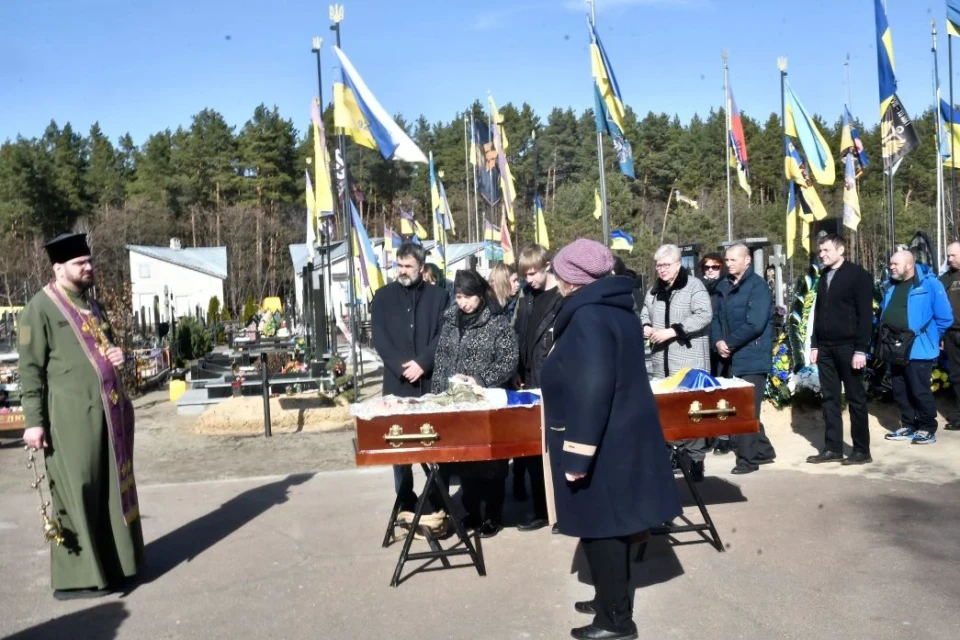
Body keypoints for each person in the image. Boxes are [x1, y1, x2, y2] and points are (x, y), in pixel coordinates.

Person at [541, 239, 681, 640]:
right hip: (619, 435)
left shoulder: (587, 317)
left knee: (602, 528)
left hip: (599, 441)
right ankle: (608, 598)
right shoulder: (612, 309)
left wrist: (577, 455)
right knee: (609, 526)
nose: (555, 278)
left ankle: (616, 620)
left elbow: (593, 388)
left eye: (558, 272)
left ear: (572, 278)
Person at [19, 233, 144, 600]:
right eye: (80, 263)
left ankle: (119, 565)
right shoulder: (38, 309)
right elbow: (29, 369)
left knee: (109, 489)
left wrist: (119, 355)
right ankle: (79, 577)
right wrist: (33, 421)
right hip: (69, 418)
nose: (88, 267)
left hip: (108, 412)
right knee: (77, 491)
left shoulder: (95, 305)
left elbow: (106, 347)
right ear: (59, 268)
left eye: (89, 261)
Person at [432, 270, 519, 537]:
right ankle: (471, 511)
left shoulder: (497, 322)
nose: (463, 303)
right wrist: (438, 394)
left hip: (485, 401)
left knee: (490, 463)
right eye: (458, 297)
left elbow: (508, 360)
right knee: (465, 460)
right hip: (456, 402)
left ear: (480, 295)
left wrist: (480, 379)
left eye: (468, 297)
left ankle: (493, 514)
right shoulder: (450, 321)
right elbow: (441, 359)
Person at [371, 242, 449, 524]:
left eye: (408, 267)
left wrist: (423, 363)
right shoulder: (382, 297)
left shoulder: (439, 297)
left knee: (435, 443)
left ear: (421, 268)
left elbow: (443, 334)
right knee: (399, 446)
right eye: (399, 266)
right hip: (397, 383)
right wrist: (402, 367)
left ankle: (439, 500)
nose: (403, 271)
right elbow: (379, 338)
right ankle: (405, 498)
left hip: (428, 382)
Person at [640, 244, 713, 481]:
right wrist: (646, 327)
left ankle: (695, 459)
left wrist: (674, 331)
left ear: (678, 264)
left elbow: (704, 315)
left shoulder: (694, 286)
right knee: (668, 410)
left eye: (666, 265)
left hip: (688, 360)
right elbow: (643, 313)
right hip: (662, 363)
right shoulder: (653, 291)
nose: (661, 269)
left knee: (692, 410)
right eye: (658, 265)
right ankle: (673, 453)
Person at [807, 234, 875, 465]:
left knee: (856, 399)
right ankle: (832, 448)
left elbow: (866, 316)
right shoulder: (824, 275)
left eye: (826, 250)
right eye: (820, 251)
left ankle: (861, 450)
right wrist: (815, 344)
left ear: (841, 249)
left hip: (849, 348)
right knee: (829, 399)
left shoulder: (858, 275)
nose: (822, 254)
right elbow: (819, 313)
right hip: (825, 348)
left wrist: (860, 350)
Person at [712, 243, 778, 474]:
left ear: (746, 260)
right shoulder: (723, 287)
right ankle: (764, 451)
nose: (728, 264)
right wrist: (718, 341)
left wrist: (729, 343)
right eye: (726, 260)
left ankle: (747, 461)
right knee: (740, 407)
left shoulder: (757, 287)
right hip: (730, 358)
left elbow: (755, 324)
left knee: (746, 409)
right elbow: (716, 320)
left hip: (752, 356)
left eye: (733, 259)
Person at [512, 244, 564, 532]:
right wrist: (516, 371)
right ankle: (541, 510)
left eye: (532, 273)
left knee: (556, 449)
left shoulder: (561, 297)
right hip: (529, 381)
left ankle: (562, 511)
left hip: (553, 380)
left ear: (547, 266)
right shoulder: (527, 297)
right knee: (533, 452)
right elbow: (520, 336)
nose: (528, 279)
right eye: (524, 275)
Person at [881, 250, 953, 444]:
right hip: (894, 346)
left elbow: (945, 317)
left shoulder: (930, 284)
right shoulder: (890, 286)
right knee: (900, 389)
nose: (891, 267)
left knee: (919, 389)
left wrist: (931, 337)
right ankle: (908, 425)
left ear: (909, 265)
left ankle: (927, 427)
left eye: (895, 264)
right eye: (891, 263)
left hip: (919, 347)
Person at [699, 252, 731, 454]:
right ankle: (708, 434)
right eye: (707, 267)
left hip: (721, 346)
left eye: (716, 266)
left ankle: (724, 436)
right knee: (704, 392)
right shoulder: (698, 288)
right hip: (702, 347)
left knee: (722, 392)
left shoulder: (726, 287)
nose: (711, 270)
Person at [939, 241, 960, 431]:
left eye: (953, 255)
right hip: (951, 333)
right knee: (955, 375)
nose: (949, 259)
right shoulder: (945, 279)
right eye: (948, 255)